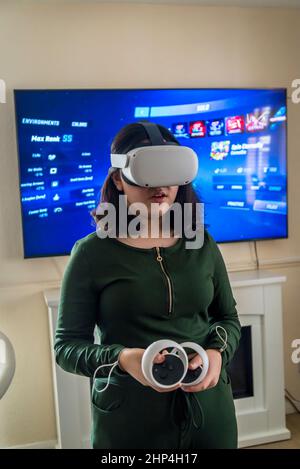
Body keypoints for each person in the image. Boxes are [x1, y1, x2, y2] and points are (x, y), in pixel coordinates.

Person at [54, 122, 242, 449]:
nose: (161, 185)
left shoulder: (201, 243)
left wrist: (216, 354)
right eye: (148, 172)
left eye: (169, 172)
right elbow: (67, 347)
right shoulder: (91, 253)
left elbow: (228, 319)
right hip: (130, 422)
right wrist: (124, 359)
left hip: (210, 415)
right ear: (118, 179)